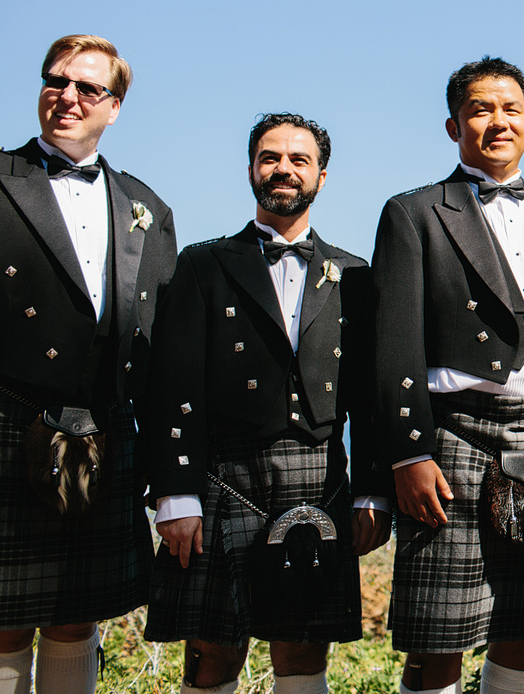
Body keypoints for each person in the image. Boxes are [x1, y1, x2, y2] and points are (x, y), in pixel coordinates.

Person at [372, 57, 524, 694]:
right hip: (453, 439)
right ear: (453, 126)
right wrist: (407, 454)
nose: (496, 122)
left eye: (509, 109)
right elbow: (393, 347)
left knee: (522, 626)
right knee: (439, 634)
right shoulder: (414, 214)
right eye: (480, 109)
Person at [143, 114, 390, 694]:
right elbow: (174, 385)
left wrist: (374, 489)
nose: (283, 169)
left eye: (298, 160)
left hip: (319, 473)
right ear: (252, 169)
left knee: (304, 649)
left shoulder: (354, 274)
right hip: (222, 473)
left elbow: (372, 395)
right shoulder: (205, 265)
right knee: (212, 651)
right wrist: (175, 495)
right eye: (270, 157)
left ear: (321, 176)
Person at [0, 35, 177, 694]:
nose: (66, 97)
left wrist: (165, 469)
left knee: (77, 615)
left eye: (87, 88)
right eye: (55, 81)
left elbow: (158, 343)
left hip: (105, 427)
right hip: (10, 417)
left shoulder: (145, 207)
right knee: (6, 620)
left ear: (116, 106)